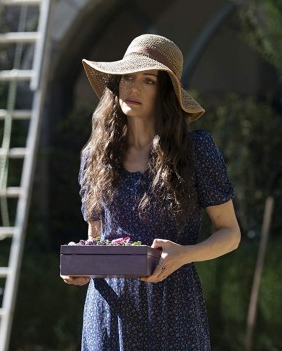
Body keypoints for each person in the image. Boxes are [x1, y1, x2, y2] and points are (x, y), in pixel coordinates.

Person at [62, 33, 241, 350]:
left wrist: (185, 254)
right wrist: (82, 267)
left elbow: (230, 234)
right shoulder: (95, 156)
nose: (133, 87)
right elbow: (96, 238)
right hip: (108, 314)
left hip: (173, 310)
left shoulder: (196, 151)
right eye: (127, 77)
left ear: (166, 93)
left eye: (148, 80)